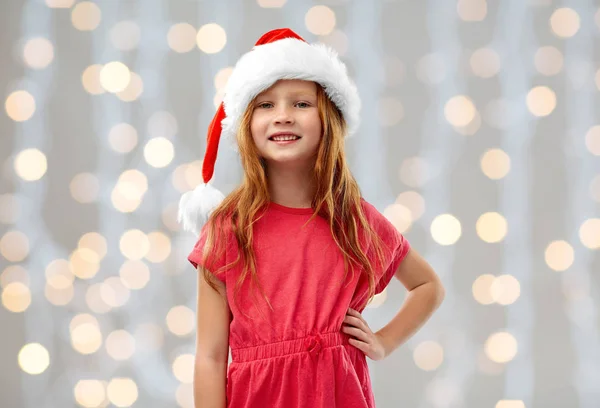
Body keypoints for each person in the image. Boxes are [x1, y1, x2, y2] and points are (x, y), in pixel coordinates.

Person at [179, 28, 445, 408]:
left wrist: (384, 342)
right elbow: (209, 356)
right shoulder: (229, 228)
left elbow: (427, 286)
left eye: (301, 104)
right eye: (266, 105)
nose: (283, 116)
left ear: (328, 120)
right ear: (246, 124)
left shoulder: (354, 219)